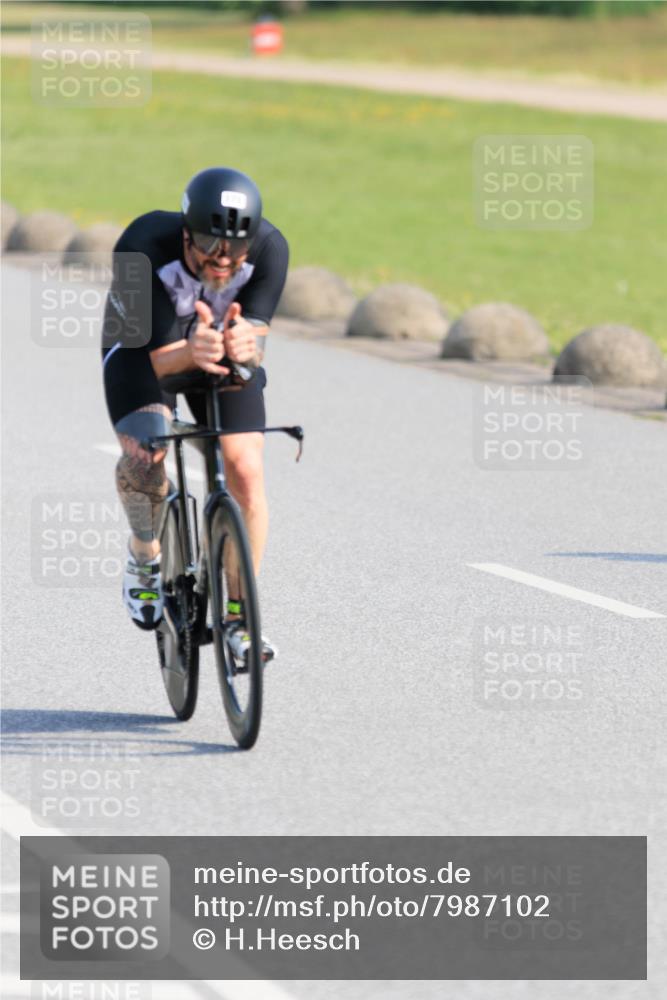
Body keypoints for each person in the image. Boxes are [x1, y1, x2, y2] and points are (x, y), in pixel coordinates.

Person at [101, 166, 288, 662]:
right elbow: (161, 360)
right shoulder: (142, 245)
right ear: (186, 232)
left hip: (217, 350)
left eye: (235, 247)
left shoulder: (271, 250)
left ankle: (239, 618)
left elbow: (255, 344)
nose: (221, 258)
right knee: (145, 454)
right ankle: (145, 553)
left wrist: (246, 346)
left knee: (244, 469)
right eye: (208, 242)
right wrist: (190, 348)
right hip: (144, 350)